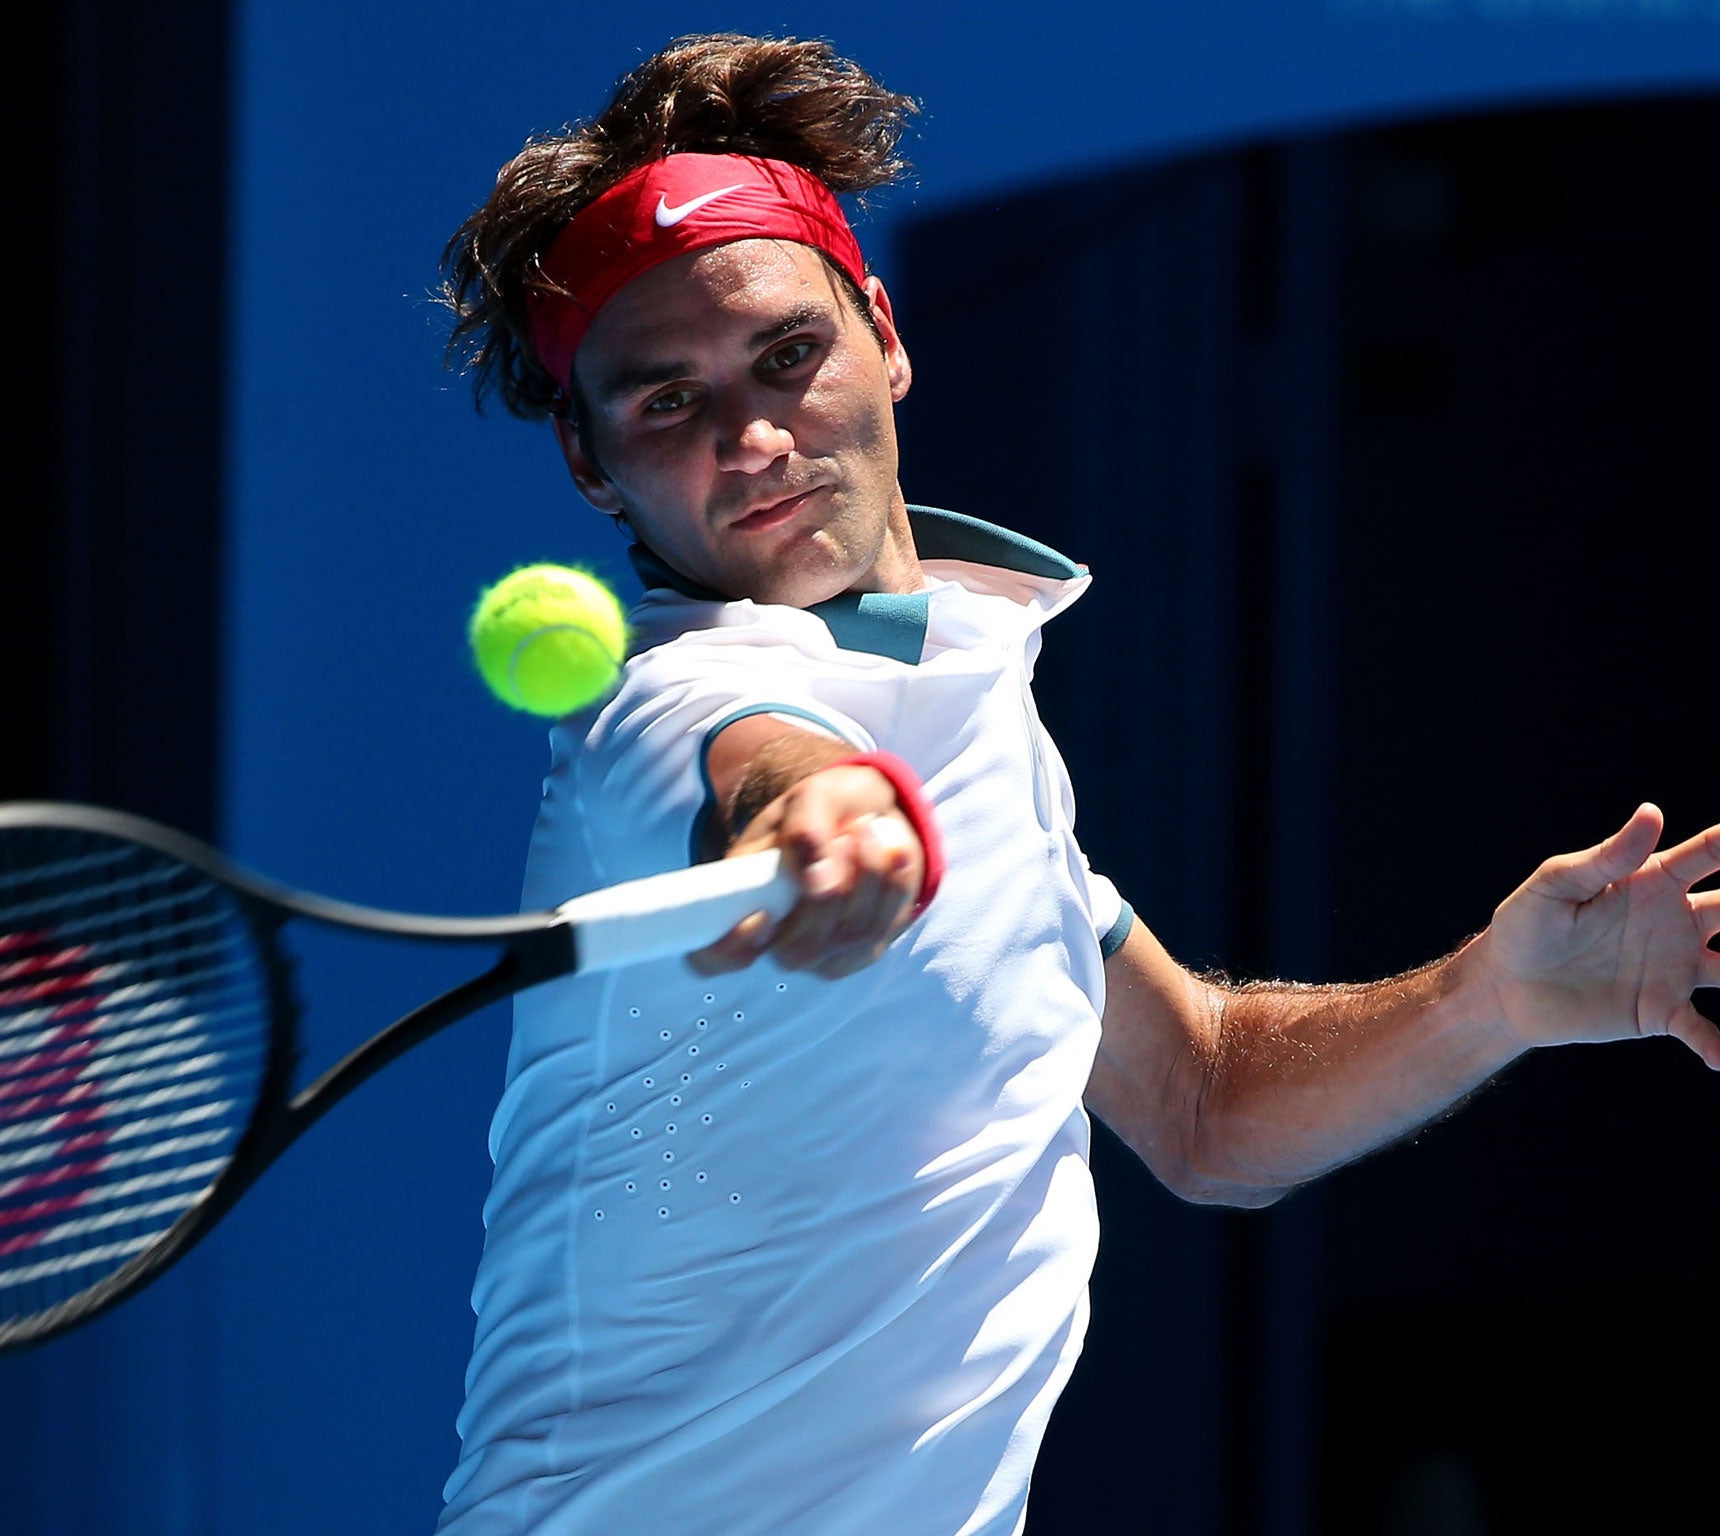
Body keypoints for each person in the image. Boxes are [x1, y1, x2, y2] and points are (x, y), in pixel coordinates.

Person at [433, 33, 1720, 1536]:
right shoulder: (667, 701)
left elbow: (1207, 1101)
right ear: (594, 469)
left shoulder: (971, 685)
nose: (756, 438)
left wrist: (1496, 996)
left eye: (789, 356)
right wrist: (824, 821)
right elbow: (773, 763)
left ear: (885, 336)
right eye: (668, 403)